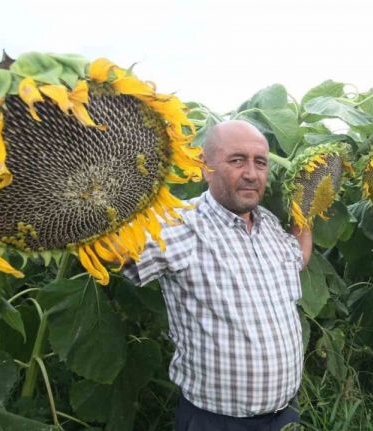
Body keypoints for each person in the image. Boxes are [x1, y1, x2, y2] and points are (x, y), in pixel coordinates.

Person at [123, 120, 312, 431]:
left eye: (260, 162)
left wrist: (308, 208)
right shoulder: (180, 224)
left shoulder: (271, 226)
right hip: (216, 422)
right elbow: (113, 252)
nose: (251, 173)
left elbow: (298, 259)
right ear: (205, 166)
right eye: (237, 160)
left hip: (286, 416)